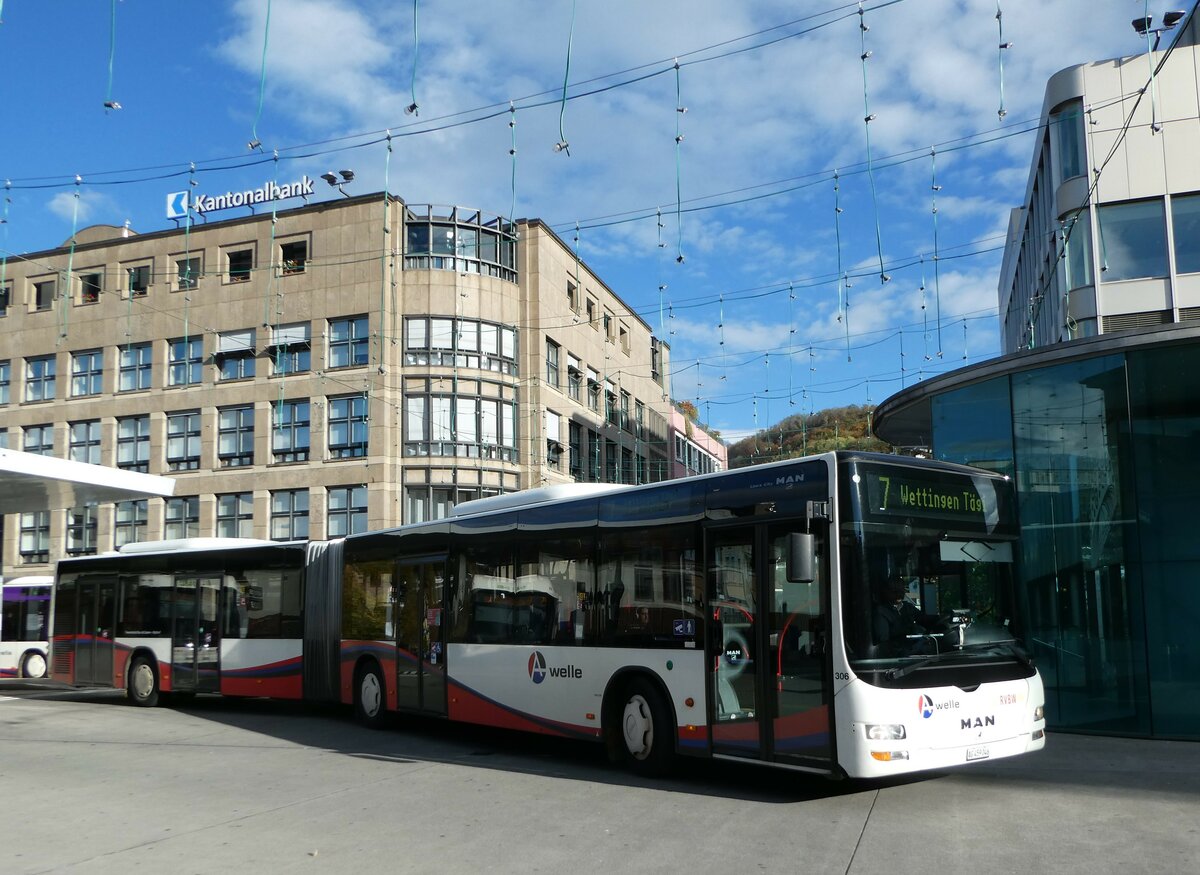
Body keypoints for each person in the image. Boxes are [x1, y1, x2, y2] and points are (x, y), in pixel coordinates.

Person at [873, 575, 939, 650]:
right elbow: (884, 643)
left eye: (901, 590)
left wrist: (940, 619)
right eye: (894, 591)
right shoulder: (881, 612)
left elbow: (924, 619)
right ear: (886, 592)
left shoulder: (908, 607)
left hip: (916, 651)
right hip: (899, 656)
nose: (899, 594)